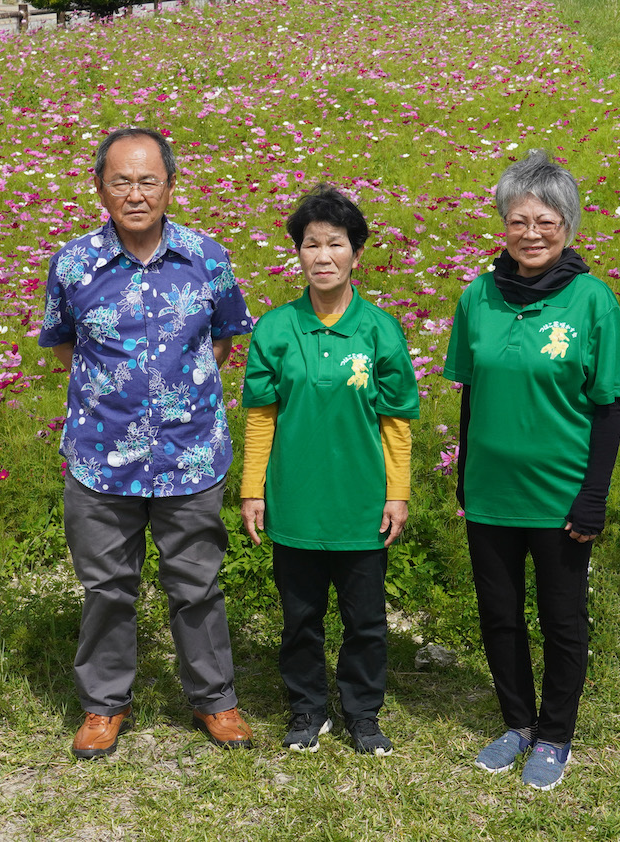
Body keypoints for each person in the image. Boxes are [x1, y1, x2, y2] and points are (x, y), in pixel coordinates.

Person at [39, 127, 256, 758]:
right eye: (121, 181)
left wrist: (173, 399)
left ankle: (215, 700)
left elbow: (222, 340)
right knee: (107, 586)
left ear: (169, 184)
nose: (136, 193)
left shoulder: (206, 258)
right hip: (100, 460)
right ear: (100, 187)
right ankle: (104, 705)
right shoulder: (73, 263)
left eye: (148, 180)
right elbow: (63, 347)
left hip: (190, 455)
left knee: (197, 583)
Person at [443, 149, 620, 790]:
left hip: (560, 495)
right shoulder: (477, 298)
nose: (531, 234)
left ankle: (555, 736)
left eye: (546, 220)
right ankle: (517, 723)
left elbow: (609, 408)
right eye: (519, 220)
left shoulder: (593, 301)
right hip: (491, 493)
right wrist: (465, 474)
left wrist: (593, 498)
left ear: (568, 225)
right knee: (499, 613)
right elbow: (470, 395)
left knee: (562, 619)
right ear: (503, 224)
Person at [239, 185, 419, 755]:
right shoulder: (274, 329)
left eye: (334, 244)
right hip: (295, 502)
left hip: (363, 505)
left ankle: (362, 715)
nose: (322, 256)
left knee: (366, 621)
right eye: (310, 245)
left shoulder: (379, 330)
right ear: (298, 255)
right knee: (300, 619)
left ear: (356, 254)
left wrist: (398, 494)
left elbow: (396, 424)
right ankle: (307, 710)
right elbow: (262, 419)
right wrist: (253, 491)